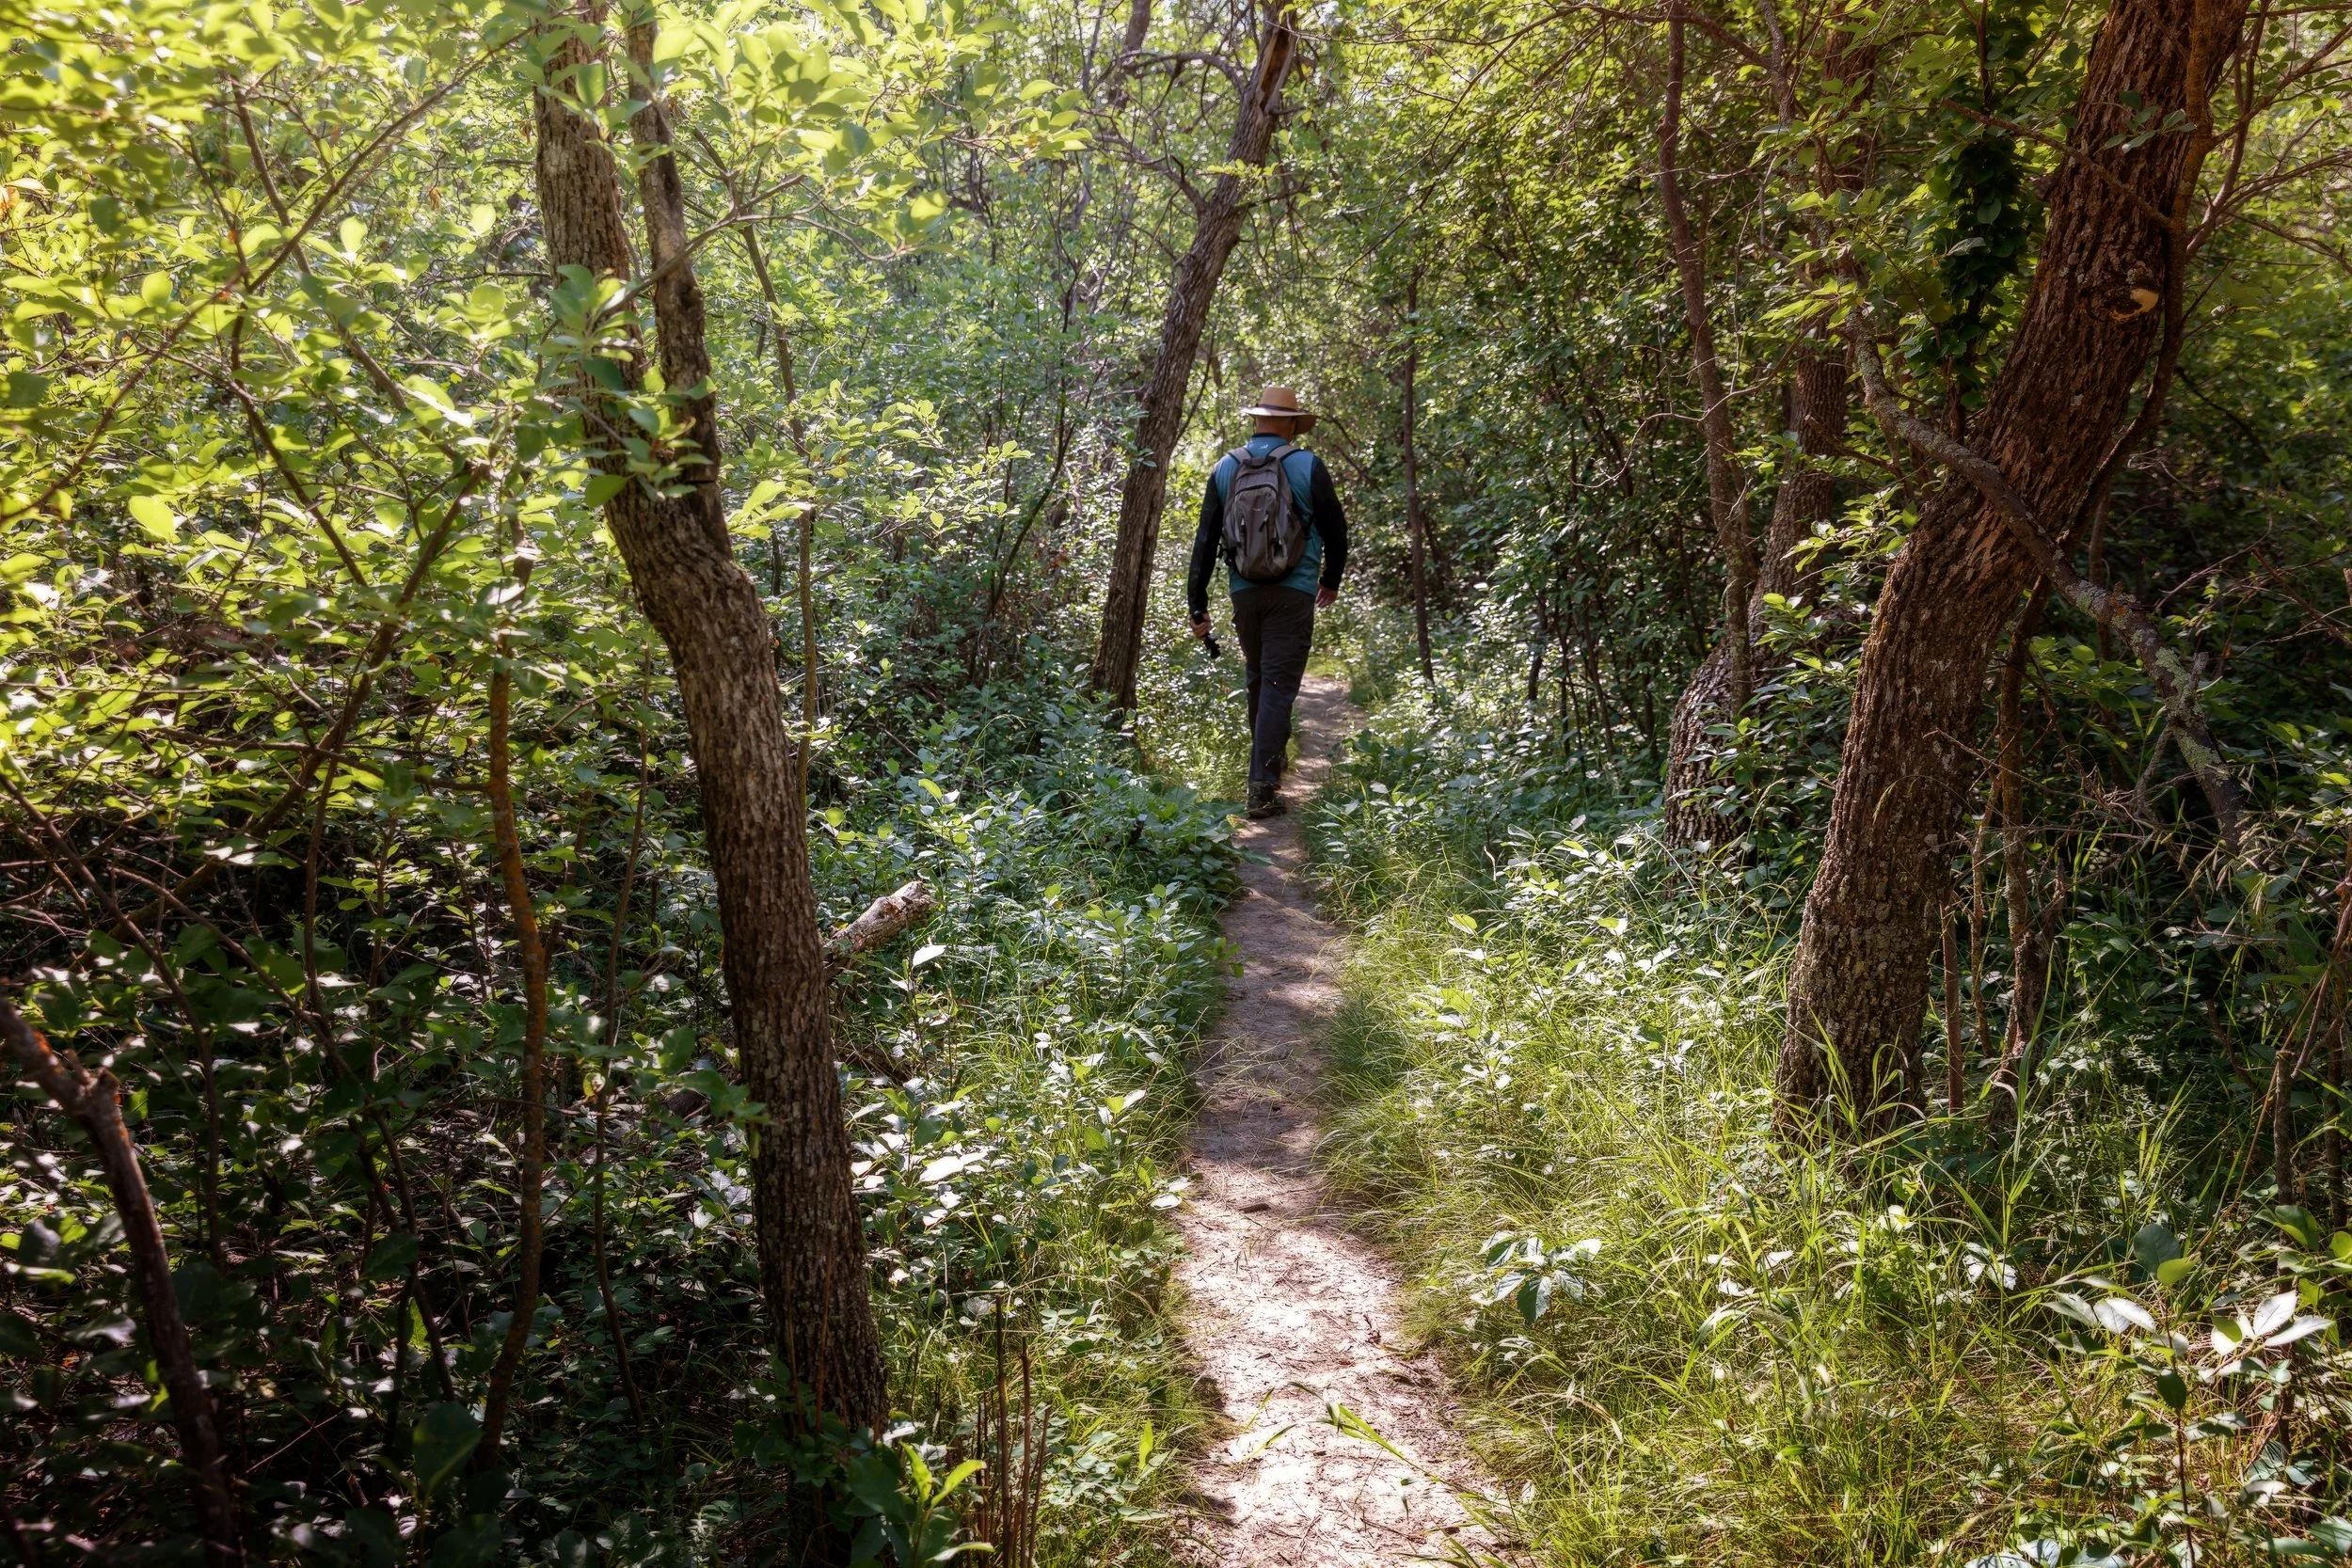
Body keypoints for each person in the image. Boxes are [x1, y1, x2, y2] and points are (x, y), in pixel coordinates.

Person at [1185, 386, 1350, 818]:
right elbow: (1336, 530)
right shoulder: (1307, 465)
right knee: (1278, 685)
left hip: (1244, 593)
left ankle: (1268, 767)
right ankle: (1262, 786)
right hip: (1293, 591)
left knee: (1260, 679)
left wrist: (1197, 604)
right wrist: (1330, 579)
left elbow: (1204, 541)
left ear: (1256, 420)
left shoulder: (1226, 467)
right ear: (1293, 424)